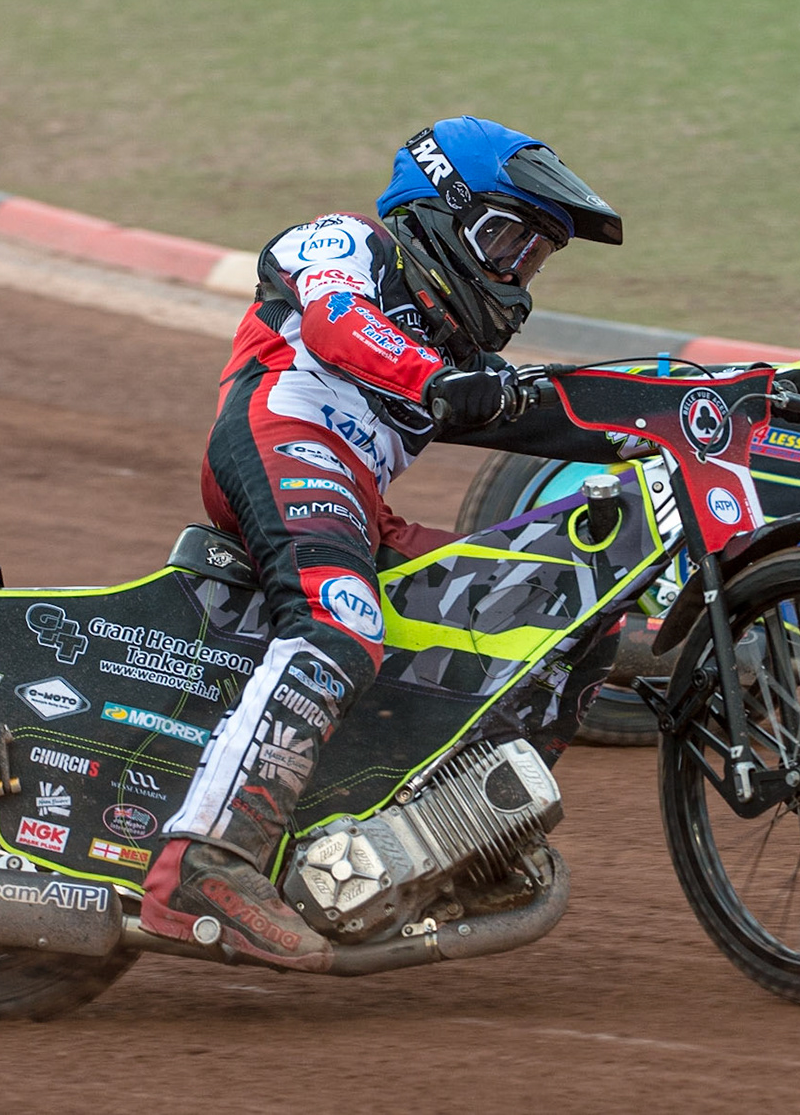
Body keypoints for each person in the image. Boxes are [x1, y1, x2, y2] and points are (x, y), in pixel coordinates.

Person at [139, 117, 624, 968]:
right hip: (278, 433)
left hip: (360, 503)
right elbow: (332, 322)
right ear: (439, 209)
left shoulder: (451, 344)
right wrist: (439, 381)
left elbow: (560, 409)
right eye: (506, 240)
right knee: (345, 621)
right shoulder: (347, 241)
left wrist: (704, 414)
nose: (516, 273)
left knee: (567, 606)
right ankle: (205, 863)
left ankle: (457, 828)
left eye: (536, 257)